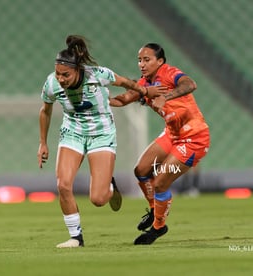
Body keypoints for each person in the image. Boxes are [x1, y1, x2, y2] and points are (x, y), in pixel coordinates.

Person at [37, 35, 162, 248]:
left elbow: (125, 82)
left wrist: (144, 91)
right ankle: (76, 237)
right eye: (58, 74)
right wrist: (43, 143)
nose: (61, 79)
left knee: (98, 199)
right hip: (72, 132)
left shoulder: (97, 75)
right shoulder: (51, 84)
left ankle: (109, 187)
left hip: (101, 134)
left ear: (78, 70)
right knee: (63, 184)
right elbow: (45, 111)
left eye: (65, 74)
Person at [110, 43, 210, 245]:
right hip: (172, 134)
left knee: (160, 182)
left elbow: (191, 85)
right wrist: (98, 97)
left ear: (160, 61)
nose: (142, 64)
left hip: (194, 137)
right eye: (139, 60)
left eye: (147, 60)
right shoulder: (144, 84)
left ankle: (158, 227)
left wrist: (165, 96)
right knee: (141, 170)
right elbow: (121, 100)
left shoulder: (170, 73)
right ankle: (156, 209)